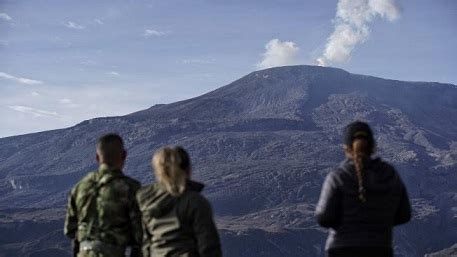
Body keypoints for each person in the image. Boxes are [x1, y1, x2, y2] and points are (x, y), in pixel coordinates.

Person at [315, 121, 412, 257]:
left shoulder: (338, 176)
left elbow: (324, 217)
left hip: (341, 249)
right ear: (373, 146)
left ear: (346, 148)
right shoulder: (390, 174)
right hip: (380, 248)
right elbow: (404, 215)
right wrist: (381, 221)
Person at [64, 134, 142, 257]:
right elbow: (140, 234)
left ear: (97, 157)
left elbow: (70, 230)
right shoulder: (130, 188)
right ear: (124, 155)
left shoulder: (80, 187)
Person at [136, 146, 222, 257]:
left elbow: (145, 244)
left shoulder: (145, 201)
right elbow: (209, 247)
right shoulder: (194, 202)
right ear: (188, 169)